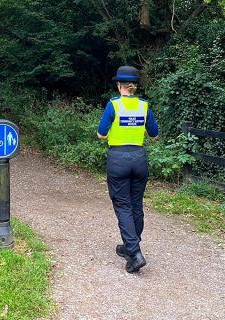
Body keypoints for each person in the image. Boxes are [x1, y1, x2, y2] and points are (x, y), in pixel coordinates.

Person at [97, 66, 159, 273]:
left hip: (118, 160)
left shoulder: (113, 105)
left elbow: (101, 134)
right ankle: (130, 245)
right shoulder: (144, 106)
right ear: (134, 85)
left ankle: (134, 252)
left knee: (123, 206)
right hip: (139, 159)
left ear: (118, 85)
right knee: (136, 204)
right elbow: (154, 134)